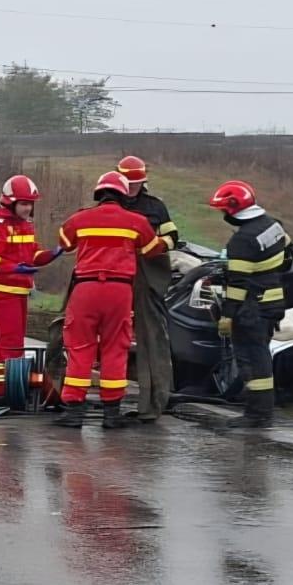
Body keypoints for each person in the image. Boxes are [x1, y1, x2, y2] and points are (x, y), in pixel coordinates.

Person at [51, 171, 166, 429]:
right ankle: (111, 414)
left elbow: (65, 242)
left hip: (86, 289)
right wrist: (165, 241)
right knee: (116, 347)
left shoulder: (80, 218)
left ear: (98, 194)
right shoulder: (136, 221)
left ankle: (73, 412)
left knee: (80, 347)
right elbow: (151, 250)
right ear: (124, 196)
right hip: (120, 291)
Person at [209, 180, 290, 428]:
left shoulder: (242, 240)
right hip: (272, 300)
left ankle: (258, 414)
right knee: (261, 355)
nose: (223, 214)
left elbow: (238, 285)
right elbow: (286, 251)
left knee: (252, 360)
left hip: (251, 307)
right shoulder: (273, 225)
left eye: (224, 209)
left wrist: (227, 316)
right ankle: (262, 410)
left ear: (233, 209)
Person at [0, 175, 59, 406]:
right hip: (1, 290)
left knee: (12, 342)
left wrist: (50, 255)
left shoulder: (25, 226)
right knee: (10, 342)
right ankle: (3, 393)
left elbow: (32, 255)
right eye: (24, 203)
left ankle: (3, 390)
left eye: (30, 204)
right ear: (10, 203)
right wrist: (14, 268)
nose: (28, 208)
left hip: (18, 290)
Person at [117, 155, 179, 422]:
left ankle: (154, 401)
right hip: (113, 270)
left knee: (152, 333)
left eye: (136, 183)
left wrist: (156, 246)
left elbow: (173, 237)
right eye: (128, 183)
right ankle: (73, 397)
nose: (132, 188)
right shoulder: (109, 203)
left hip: (146, 272)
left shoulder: (156, 207)